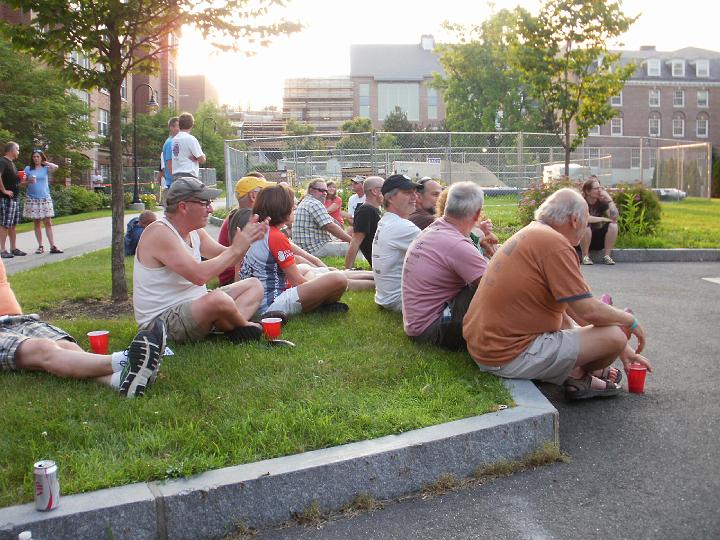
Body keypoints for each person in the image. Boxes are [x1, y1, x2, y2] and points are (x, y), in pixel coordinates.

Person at [463, 188, 651, 401]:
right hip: (507, 356)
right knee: (615, 335)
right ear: (574, 220)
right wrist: (630, 322)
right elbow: (588, 311)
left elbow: (573, 310)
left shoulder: (534, 232)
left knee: (593, 327)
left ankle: (575, 370)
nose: (586, 227)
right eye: (586, 221)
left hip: (486, 348)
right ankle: (578, 375)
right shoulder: (555, 244)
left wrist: (625, 351)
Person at [1, 257, 166, 397]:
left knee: (68, 347)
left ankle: (119, 381)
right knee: (43, 348)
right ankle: (126, 359)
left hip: (19, 320)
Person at [133, 177, 267, 344]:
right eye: (205, 203)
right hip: (162, 322)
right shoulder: (159, 233)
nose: (210, 209)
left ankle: (229, 326)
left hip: (196, 305)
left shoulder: (194, 232)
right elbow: (199, 275)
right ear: (183, 206)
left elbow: (229, 258)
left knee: (254, 285)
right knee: (218, 299)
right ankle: (243, 326)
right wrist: (235, 249)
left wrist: (247, 242)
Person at [241, 184, 350, 316]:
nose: (295, 208)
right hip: (271, 304)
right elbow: (297, 281)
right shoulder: (276, 236)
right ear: (282, 209)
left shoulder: (260, 229)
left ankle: (323, 300)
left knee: (307, 268)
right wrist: (323, 290)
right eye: (292, 206)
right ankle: (322, 304)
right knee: (338, 279)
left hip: (256, 299)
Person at [402, 182, 488, 350]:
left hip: (417, 324)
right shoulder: (456, 244)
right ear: (477, 214)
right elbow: (494, 286)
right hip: (432, 330)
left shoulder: (435, 230)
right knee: (494, 288)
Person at [372, 174, 421, 311]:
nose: (415, 197)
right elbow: (442, 253)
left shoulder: (387, 221)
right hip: (399, 299)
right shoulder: (401, 226)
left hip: (387, 297)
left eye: (415, 192)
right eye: (407, 192)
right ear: (390, 198)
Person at [218, 173, 276, 286]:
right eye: (265, 193)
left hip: (238, 276)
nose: (269, 197)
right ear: (253, 196)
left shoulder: (239, 214)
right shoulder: (248, 219)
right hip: (237, 279)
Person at [292, 178, 352, 256]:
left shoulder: (305, 202)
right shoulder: (315, 203)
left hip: (304, 249)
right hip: (315, 249)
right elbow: (331, 227)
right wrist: (351, 241)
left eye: (326, 191)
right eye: (321, 190)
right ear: (311, 190)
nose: (324, 193)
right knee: (354, 246)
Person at [22, 149, 63, 254]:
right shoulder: (28, 169)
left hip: (45, 197)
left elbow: (56, 167)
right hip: (32, 198)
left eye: (38, 157)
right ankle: (40, 246)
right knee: (37, 222)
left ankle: (53, 246)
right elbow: (22, 182)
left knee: (48, 222)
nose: (35, 158)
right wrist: (29, 181)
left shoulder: (45, 168)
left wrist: (46, 162)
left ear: (41, 158)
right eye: (34, 157)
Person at [344, 176, 383, 269]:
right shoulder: (365, 211)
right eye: (385, 189)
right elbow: (355, 241)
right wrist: (348, 270)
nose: (388, 192)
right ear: (375, 191)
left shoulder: (373, 210)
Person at [579, 176, 619, 265]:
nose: (599, 191)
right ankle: (585, 256)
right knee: (585, 225)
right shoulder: (580, 202)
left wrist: (609, 200)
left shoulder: (601, 202)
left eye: (600, 188)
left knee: (613, 225)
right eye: (596, 188)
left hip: (596, 239)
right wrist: (603, 219)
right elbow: (585, 218)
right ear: (587, 191)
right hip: (579, 240)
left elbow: (614, 217)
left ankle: (607, 256)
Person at [0, 142, 26, 259]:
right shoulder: (3, 161)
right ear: (11, 150)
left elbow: (16, 183)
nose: (18, 152)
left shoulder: (12, 164)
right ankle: (2, 250)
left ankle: (13, 248)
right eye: (17, 149)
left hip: (14, 198)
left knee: (13, 225)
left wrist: (26, 181)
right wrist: (4, 190)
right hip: (6, 199)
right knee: (5, 224)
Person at [171, 112, 205, 181]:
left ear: (179, 125)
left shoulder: (174, 140)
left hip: (175, 177)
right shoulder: (191, 139)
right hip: (189, 177)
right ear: (191, 125)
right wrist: (199, 157)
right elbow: (202, 160)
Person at [161, 116, 180, 203]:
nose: (180, 129)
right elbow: (169, 164)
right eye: (178, 126)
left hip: (173, 183)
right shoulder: (170, 143)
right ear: (171, 128)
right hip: (172, 184)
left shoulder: (174, 141)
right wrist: (176, 180)